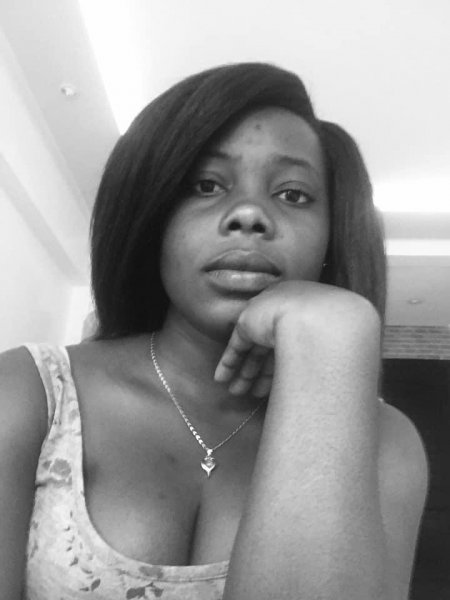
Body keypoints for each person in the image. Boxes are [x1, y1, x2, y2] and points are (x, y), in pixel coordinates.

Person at [0, 62, 428, 600]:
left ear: (330, 238)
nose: (249, 214)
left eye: (293, 194)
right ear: (154, 218)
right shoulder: (28, 393)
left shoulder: (384, 442)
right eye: (205, 185)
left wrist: (336, 336)